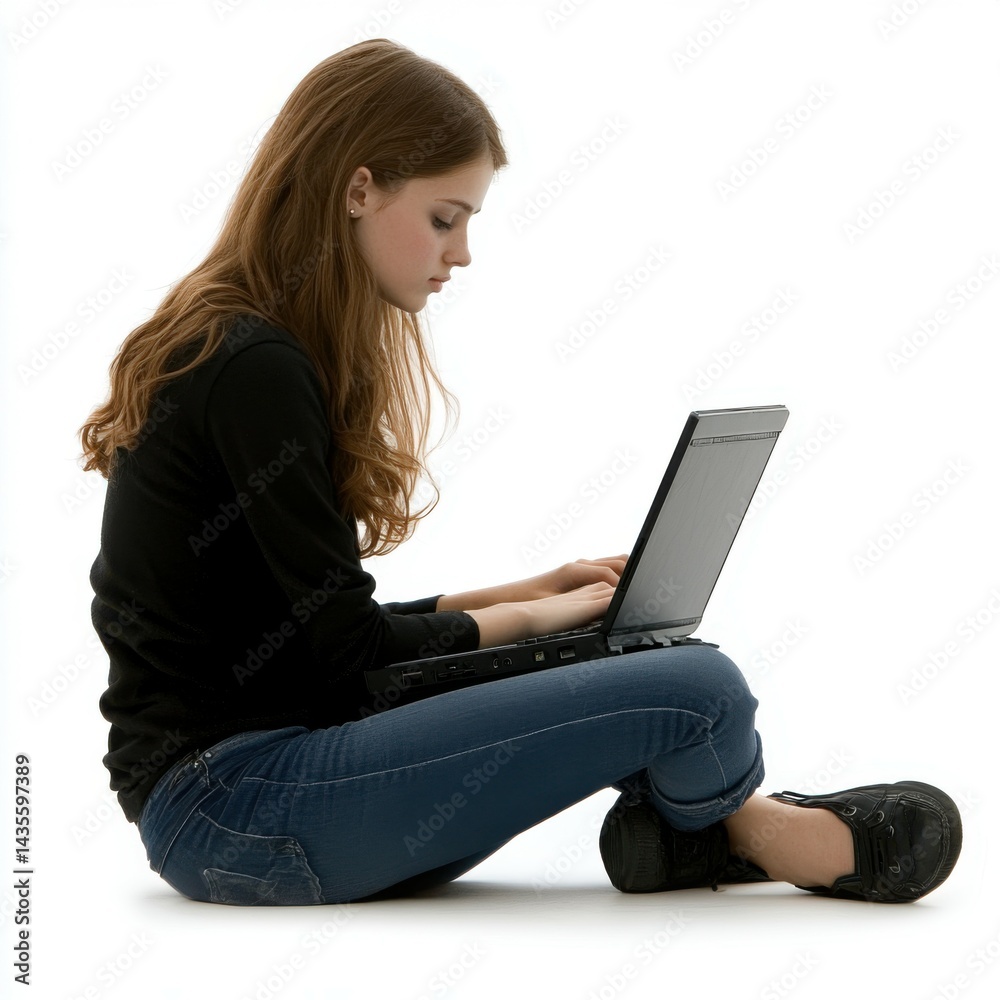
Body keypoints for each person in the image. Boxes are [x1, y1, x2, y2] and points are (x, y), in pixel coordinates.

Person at [79, 38, 961, 907]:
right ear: (358, 190)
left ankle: (696, 829)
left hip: (265, 787)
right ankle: (746, 829)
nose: (460, 252)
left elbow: (311, 633)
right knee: (701, 691)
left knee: (640, 657)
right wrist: (531, 620)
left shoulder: (256, 345)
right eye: (444, 218)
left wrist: (528, 594)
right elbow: (347, 658)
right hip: (238, 807)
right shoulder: (253, 365)